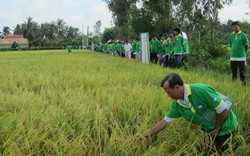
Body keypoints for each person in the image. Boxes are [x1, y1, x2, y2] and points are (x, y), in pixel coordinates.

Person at [143, 73, 238, 153]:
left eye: (168, 92)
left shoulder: (200, 90)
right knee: (200, 151)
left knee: (220, 151)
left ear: (177, 87)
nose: (168, 96)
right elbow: (164, 122)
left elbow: (222, 110)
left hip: (225, 127)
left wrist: (218, 128)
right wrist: (145, 135)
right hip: (209, 129)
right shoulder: (178, 104)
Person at [228, 21, 249, 85]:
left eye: (236, 26)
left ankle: (243, 85)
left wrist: (243, 52)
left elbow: (247, 46)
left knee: (242, 72)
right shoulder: (231, 35)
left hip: (241, 57)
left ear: (239, 27)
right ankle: (234, 85)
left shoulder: (243, 35)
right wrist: (231, 52)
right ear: (232, 27)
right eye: (233, 26)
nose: (234, 28)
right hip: (233, 57)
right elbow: (230, 45)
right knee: (233, 72)